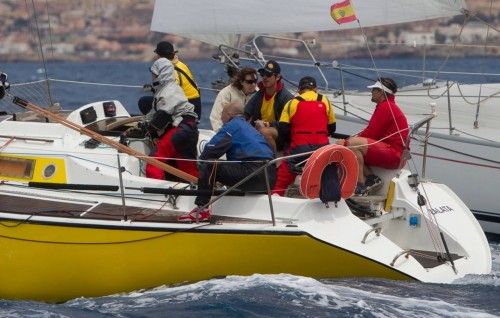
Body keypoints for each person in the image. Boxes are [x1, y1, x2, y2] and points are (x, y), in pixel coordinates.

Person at [178, 101, 277, 222]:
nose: (220, 117)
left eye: (222, 113)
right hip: (270, 177)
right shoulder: (249, 127)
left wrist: (202, 169)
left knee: (210, 165)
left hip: (253, 173)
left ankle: (201, 209)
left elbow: (209, 153)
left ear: (229, 114)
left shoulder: (231, 126)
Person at [336, 77, 409, 196]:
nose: (372, 92)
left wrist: (345, 142)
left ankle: (361, 185)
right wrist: (347, 142)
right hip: (396, 154)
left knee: (351, 145)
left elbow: (371, 134)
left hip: (394, 154)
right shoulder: (387, 106)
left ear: (381, 92)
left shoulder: (386, 107)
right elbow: (372, 134)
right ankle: (371, 178)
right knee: (351, 146)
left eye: (374, 89)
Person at [272, 76, 336, 196]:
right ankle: (330, 197)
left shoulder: (292, 103)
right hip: (321, 150)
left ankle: (276, 197)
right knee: (326, 172)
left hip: (299, 149)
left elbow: (283, 130)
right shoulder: (325, 100)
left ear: (300, 89)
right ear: (315, 89)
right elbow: (332, 128)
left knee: (282, 176)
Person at [144, 57, 199, 180]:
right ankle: (195, 190)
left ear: (160, 74)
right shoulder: (172, 88)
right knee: (187, 166)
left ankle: (154, 193)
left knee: (154, 161)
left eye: (154, 74)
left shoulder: (168, 91)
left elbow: (162, 116)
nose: (152, 76)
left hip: (180, 129)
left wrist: (147, 129)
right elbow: (155, 113)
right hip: (191, 129)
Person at [244, 60, 293, 153]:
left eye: (269, 75)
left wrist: (267, 124)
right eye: (263, 74)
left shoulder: (286, 97)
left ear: (277, 77)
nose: (265, 77)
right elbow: (246, 112)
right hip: (260, 130)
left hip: (281, 135)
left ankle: (272, 162)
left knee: (264, 132)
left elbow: (287, 125)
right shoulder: (260, 94)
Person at [154, 41, 202, 118]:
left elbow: (169, 97)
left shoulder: (171, 71)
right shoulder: (181, 64)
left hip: (187, 110)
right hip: (195, 106)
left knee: (144, 102)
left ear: (159, 56)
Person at [210, 67, 258, 132]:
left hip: (250, 131)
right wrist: (221, 134)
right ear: (241, 82)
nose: (253, 85)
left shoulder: (258, 93)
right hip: (229, 131)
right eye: (249, 82)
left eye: (255, 81)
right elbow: (216, 118)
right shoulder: (226, 93)